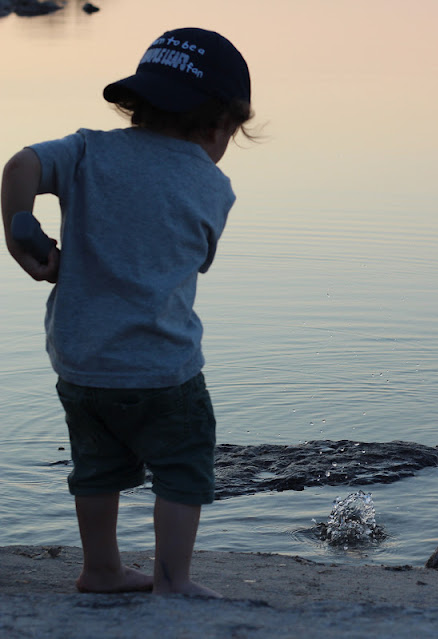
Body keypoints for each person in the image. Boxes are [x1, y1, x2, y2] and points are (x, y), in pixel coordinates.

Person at [1, 27, 253, 597]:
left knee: (96, 467)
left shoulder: (86, 149)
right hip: (164, 368)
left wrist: (21, 236)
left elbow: (19, 166)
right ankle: (172, 579)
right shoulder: (213, 186)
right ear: (220, 125)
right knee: (183, 467)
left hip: (82, 364)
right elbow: (199, 257)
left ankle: (101, 569)